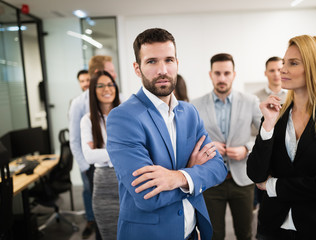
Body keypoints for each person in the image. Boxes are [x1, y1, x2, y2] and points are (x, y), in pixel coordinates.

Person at [106, 28, 228, 240]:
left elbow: (218, 168)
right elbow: (147, 195)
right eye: (152, 61)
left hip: (192, 232)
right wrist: (191, 174)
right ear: (137, 68)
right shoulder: (123, 118)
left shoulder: (189, 112)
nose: (162, 70)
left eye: (169, 60)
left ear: (177, 64)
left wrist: (177, 177)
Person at [247, 35, 316, 240]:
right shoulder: (275, 113)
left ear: (315, 68)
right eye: (283, 63)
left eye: (293, 63)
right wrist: (267, 126)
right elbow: (255, 174)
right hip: (272, 228)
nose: (282, 70)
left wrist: (274, 186)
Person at [192, 53, 262, 240]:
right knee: (213, 235)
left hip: (243, 180)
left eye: (226, 73)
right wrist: (207, 145)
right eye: (217, 73)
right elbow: (189, 141)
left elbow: (266, 135)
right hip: (211, 181)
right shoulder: (195, 105)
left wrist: (246, 148)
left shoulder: (250, 101)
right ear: (210, 74)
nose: (222, 78)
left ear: (234, 74)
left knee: (245, 234)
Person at [69, 55, 116, 239]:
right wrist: (86, 167)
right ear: (98, 74)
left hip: (118, 172)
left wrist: (103, 153)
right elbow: (75, 140)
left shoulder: (119, 102)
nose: (114, 77)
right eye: (111, 72)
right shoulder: (80, 106)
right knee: (102, 221)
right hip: (94, 169)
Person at [80, 71, 120, 240]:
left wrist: (102, 152)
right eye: (101, 85)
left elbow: (138, 149)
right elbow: (89, 157)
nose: (107, 89)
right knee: (109, 234)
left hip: (126, 182)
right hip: (103, 185)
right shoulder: (88, 120)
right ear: (93, 91)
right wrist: (119, 150)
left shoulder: (124, 116)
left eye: (110, 84)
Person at [253, 57, 286, 209]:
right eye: (272, 70)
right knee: (263, 203)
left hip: (284, 156)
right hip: (263, 155)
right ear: (265, 73)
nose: (276, 74)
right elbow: (252, 129)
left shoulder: (293, 95)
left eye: (279, 69)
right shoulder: (255, 98)